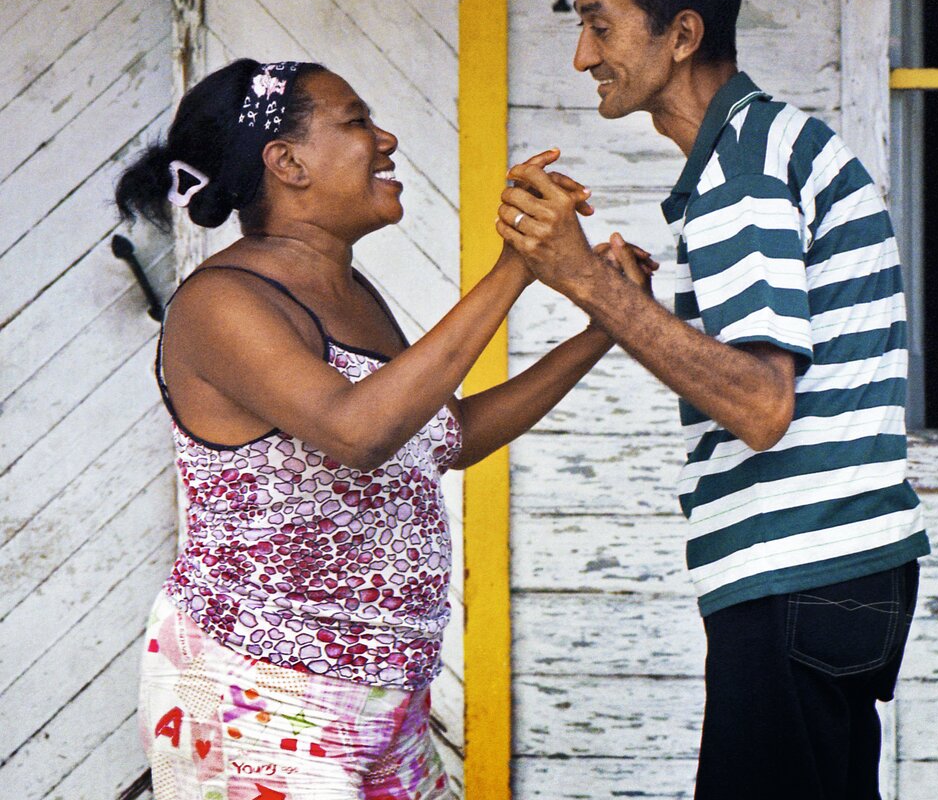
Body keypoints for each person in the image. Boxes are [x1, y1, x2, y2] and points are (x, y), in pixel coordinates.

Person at [116, 58, 652, 800]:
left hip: (387, 695)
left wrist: (602, 328)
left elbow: (446, 433)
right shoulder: (220, 304)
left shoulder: (347, 289)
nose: (386, 138)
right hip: (260, 693)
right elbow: (358, 432)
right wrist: (515, 267)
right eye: (358, 121)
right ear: (288, 162)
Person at [496, 0, 930, 799]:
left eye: (600, 24)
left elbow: (762, 406)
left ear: (682, 33)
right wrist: (628, 308)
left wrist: (588, 282)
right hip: (842, 570)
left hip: (797, 566)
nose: (583, 56)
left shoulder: (740, 169)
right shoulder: (765, 147)